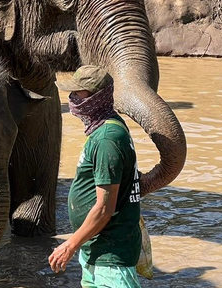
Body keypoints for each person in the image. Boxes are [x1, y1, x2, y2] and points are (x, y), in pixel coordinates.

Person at [49, 65, 142, 288]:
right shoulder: (105, 128)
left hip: (111, 257)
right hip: (95, 249)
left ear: (96, 98)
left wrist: (69, 245)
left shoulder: (107, 139)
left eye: (77, 94)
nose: (72, 99)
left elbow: (104, 208)